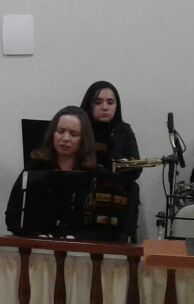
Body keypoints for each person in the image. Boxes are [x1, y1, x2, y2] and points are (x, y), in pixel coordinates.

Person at [7, 106, 138, 241]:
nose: (65, 138)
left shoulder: (98, 176)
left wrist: (80, 238)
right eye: (60, 131)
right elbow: (13, 217)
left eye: (73, 134)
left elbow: (116, 228)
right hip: (38, 247)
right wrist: (35, 235)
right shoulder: (35, 169)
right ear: (52, 134)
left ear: (83, 139)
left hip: (84, 249)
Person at [79, 80, 140, 169]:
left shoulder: (124, 130)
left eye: (110, 102)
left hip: (120, 177)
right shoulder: (78, 129)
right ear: (89, 105)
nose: (105, 107)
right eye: (98, 102)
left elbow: (136, 168)